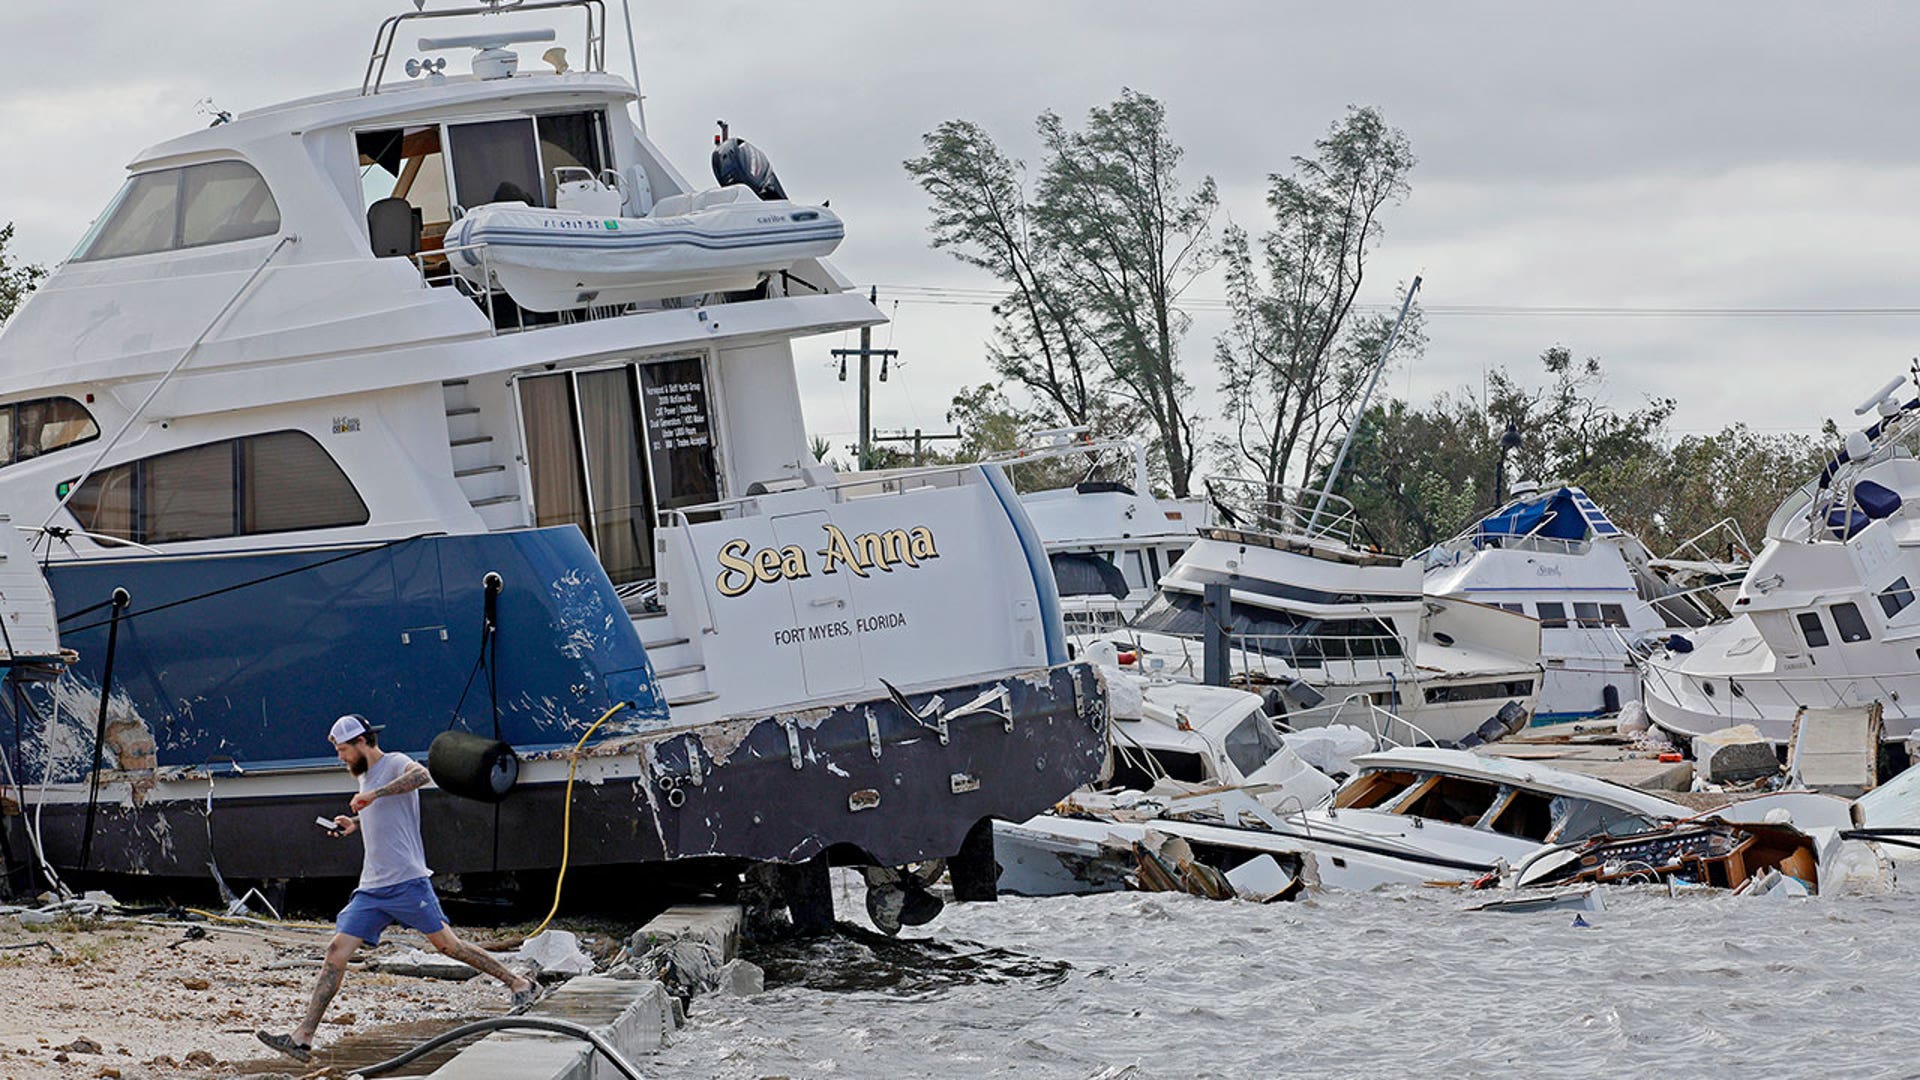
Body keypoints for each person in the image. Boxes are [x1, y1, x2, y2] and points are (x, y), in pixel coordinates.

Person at [256, 714, 539, 1063]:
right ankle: (302, 1037)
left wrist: (374, 794)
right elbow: (383, 813)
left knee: (448, 946)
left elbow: (422, 776)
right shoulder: (364, 776)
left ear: (362, 743)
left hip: (407, 881)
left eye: (344, 750)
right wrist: (355, 824)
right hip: (372, 887)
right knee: (335, 952)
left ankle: (519, 984)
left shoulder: (394, 763)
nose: (341, 758)